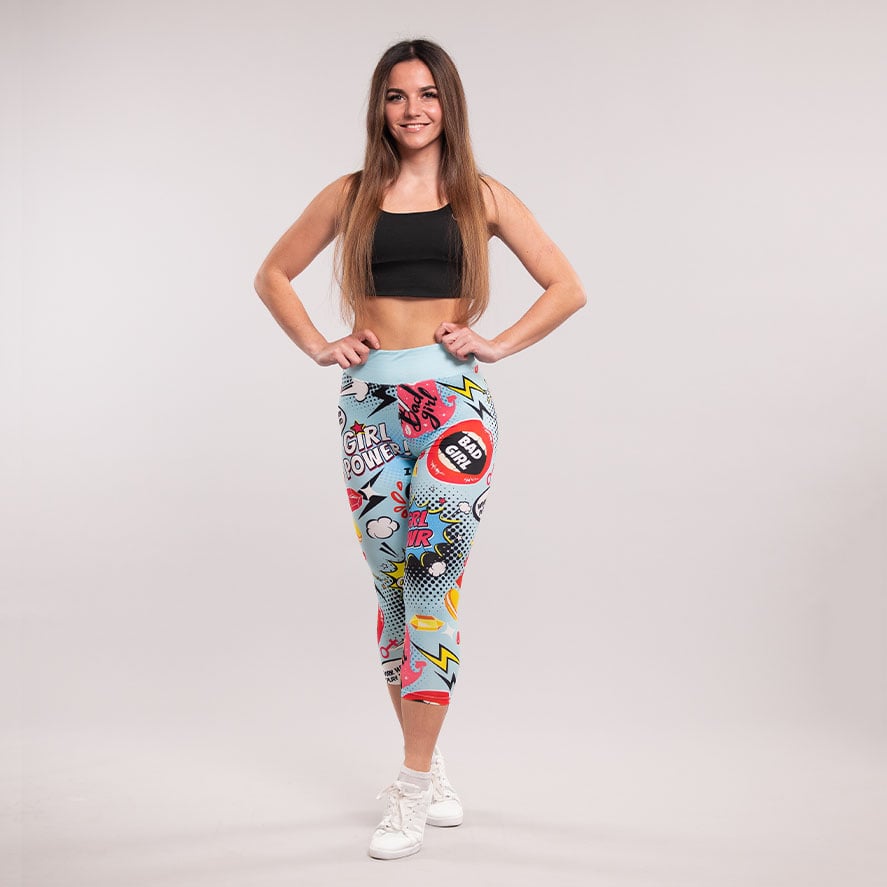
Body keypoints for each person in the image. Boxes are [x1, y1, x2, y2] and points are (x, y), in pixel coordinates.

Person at [253, 38, 585, 860]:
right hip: (367, 413)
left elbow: (566, 286)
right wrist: (317, 344)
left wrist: (496, 344)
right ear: (380, 106)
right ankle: (427, 760)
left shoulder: (480, 196)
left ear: (449, 104)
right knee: (394, 593)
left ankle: (406, 786)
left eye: (428, 94)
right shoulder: (350, 195)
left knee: (431, 585)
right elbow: (272, 274)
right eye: (397, 95)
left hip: (453, 413)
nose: (412, 110)